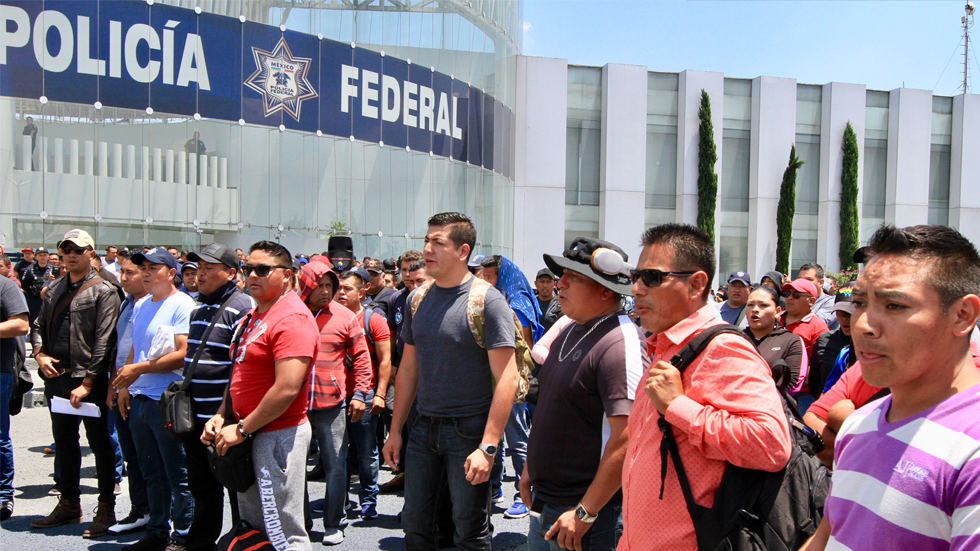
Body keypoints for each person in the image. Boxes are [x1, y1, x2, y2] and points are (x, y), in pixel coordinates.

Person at [800, 225, 980, 551]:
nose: (864, 324)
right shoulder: (858, 424)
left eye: (894, 306)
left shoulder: (972, 453)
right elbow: (828, 535)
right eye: (859, 303)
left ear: (963, 315)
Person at [618, 224, 791, 551]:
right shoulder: (665, 345)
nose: (637, 289)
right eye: (634, 276)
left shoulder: (722, 348)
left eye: (652, 277)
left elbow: (770, 444)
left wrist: (678, 408)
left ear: (697, 284)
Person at [382, 212, 518, 551]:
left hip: (469, 431)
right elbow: (408, 369)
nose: (426, 248)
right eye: (426, 240)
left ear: (462, 251)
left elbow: (508, 378)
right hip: (423, 427)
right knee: (414, 524)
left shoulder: (488, 301)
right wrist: (395, 429)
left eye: (437, 242)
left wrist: (488, 447)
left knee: (469, 531)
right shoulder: (417, 299)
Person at [521, 238, 645, 551]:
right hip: (548, 502)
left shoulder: (621, 343)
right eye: (562, 274)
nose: (559, 283)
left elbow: (628, 436)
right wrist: (528, 470)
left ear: (606, 290)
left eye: (573, 278)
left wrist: (585, 511)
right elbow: (551, 406)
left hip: (587, 514)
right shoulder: (571, 327)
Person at [202, 241, 319, 551]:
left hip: (274, 434)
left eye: (263, 269)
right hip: (249, 432)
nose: (252, 274)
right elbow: (239, 374)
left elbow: (287, 388)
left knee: (284, 534)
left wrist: (242, 429)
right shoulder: (255, 315)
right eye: (248, 268)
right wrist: (220, 415)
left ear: (288, 275)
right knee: (254, 528)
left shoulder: (292, 318)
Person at [29, 230, 121, 538]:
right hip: (57, 377)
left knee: (99, 445)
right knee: (64, 443)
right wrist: (39, 353)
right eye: (66, 249)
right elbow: (38, 325)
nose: (71, 254)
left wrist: (89, 381)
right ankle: (68, 503)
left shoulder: (104, 290)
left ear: (91, 253)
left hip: (88, 381)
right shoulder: (54, 287)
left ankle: (106, 507)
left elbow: (105, 340)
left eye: (78, 249)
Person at [113, 247, 196, 551]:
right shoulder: (142, 304)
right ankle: (157, 531)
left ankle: (184, 535)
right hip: (140, 398)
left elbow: (183, 354)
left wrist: (136, 370)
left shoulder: (182, 304)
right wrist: (125, 386)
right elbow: (136, 348)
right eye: (143, 267)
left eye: (153, 267)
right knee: (151, 472)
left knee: (177, 473)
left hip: (168, 399)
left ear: (171, 273)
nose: (146, 273)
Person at [180, 243, 253, 551]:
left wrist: (225, 415)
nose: (202, 274)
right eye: (199, 267)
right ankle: (200, 543)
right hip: (195, 417)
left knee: (237, 489)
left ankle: (242, 543)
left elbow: (241, 366)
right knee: (202, 487)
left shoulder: (242, 306)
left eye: (210, 268)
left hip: (226, 420)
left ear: (231, 273)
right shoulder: (197, 308)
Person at [297, 259, 372, 545]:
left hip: (333, 405)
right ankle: (300, 522)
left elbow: (363, 358)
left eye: (331, 285)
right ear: (306, 285)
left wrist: (360, 394)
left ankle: (333, 522)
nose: (326, 291)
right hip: (294, 407)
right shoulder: (292, 314)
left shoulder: (344, 316)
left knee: (336, 466)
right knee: (293, 468)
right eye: (320, 285)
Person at [480, 255, 543, 519]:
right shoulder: (496, 299)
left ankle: (522, 493)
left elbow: (523, 349)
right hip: (493, 378)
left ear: (502, 276)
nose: (484, 281)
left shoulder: (515, 303)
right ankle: (495, 488)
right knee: (495, 437)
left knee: (516, 437)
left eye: (489, 276)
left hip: (511, 381)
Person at [335, 268, 392, 521]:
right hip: (335, 398)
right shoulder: (329, 317)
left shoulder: (373, 319)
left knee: (367, 451)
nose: (340, 293)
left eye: (347, 288)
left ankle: (368, 500)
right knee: (338, 452)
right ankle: (340, 501)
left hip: (365, 395)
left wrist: (379, 394)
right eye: (338, 288)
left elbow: (385, 361)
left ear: (361, 291)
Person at [106, 250, 151, 536]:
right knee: (132, 457)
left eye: (129, 273)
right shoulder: (126, 304)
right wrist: (113, 384)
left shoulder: (152, 305)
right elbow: (117, 349)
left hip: (143, 391)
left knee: (151, 458)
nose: (123, 278)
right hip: (121, 388)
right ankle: (141, 509)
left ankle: (160, 513)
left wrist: (125, 385)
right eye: (121, 272)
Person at [0, 253, 29, 521]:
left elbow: (21, 324)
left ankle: (3, 495)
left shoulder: (5, 286)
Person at [741, 285, 807, 395]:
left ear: (777, 311)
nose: (755, 309)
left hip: (774, 406)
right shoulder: (735, 338)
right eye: (750, 305)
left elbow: (793, 383)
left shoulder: (791, 340)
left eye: (763, 305)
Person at [780, 278, 830, 412]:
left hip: (801, 396)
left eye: (796, 295)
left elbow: (816, 367)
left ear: (811, 301)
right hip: (771, 390)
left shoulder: (818, 327)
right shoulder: (775, 319)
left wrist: (789, 388)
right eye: (787, 294)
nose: (790, 298)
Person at [812, 283, 857, 397]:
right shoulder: (824, 340)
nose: (844, 318)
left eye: (850, 313)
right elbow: (815, 378)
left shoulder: (875, 344)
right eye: (840, 312)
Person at [797, 263, 837, 331]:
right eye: (801, 280)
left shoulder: (831, 302)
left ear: (820, 282)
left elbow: (815, 324)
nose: (803, 283)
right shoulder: (794, 300)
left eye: (809, 280)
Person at [21, 246, 53, 325]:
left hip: (48, 301)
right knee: (34, 324)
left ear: (48, 256)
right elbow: (24, 285)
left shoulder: (53, 269)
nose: (42, 257)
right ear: (35, 257)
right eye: (40, 255)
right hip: (33, 301)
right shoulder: (29, 269)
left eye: (45, 255)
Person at [534, 268, 562, 334]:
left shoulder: (560, 304)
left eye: (549, 282)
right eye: (542, 281)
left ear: (555, 284)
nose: (545, 285)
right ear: (536, 283)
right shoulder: (531, 303)